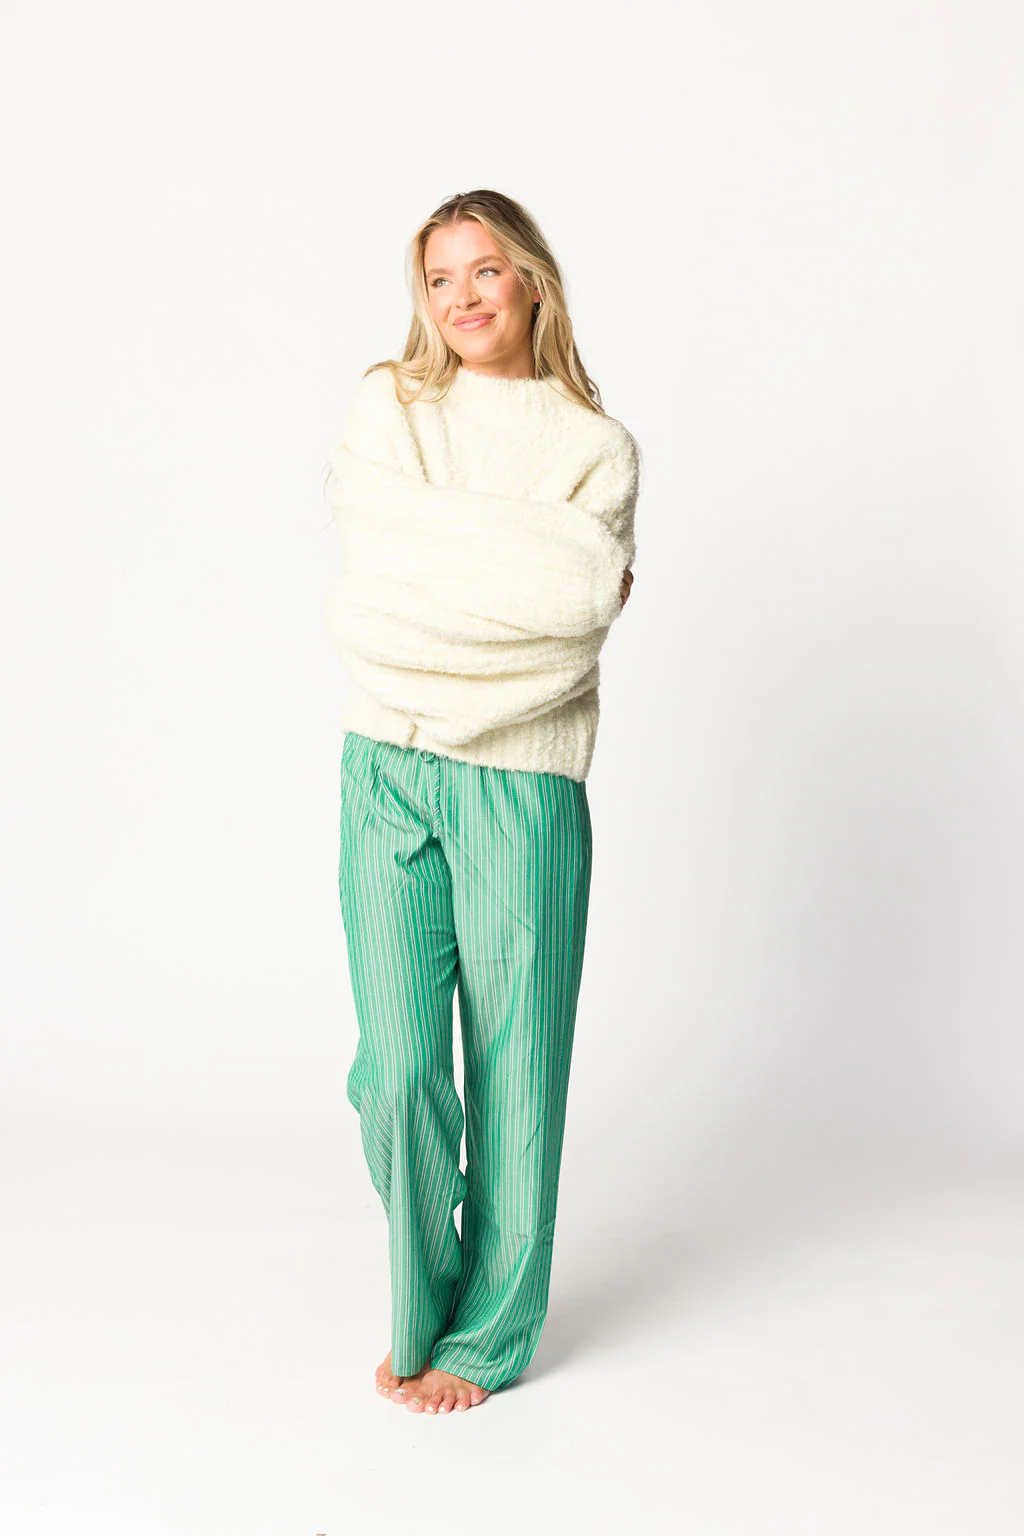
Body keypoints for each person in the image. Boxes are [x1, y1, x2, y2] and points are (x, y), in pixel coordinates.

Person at [322, 189, 641, 1415]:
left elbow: (570, 629)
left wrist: (465, 580)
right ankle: (429, 1290)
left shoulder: (595, 449)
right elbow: (371, 602)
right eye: (440, 277)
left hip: (526, 782)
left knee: (518, 1075)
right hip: (385, 768)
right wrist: (532, 577)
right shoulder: (388, 409)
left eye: (485, 271)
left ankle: (491, 1332)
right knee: (399, 1070)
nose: (462, 297)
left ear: (532, 283)